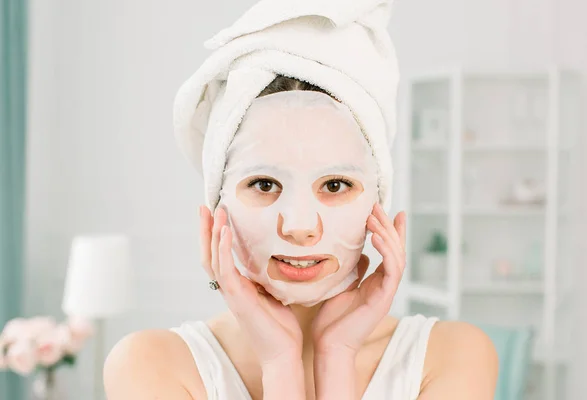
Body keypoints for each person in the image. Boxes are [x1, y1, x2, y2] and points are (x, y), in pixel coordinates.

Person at [104, 1, 498, 399]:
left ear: (377, 200)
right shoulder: (151, 365)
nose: (299, 226)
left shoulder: (451, 356)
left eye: (334, 185)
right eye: (263, 184)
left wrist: (337, 354)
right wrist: (279, 363)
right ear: (218, 205)